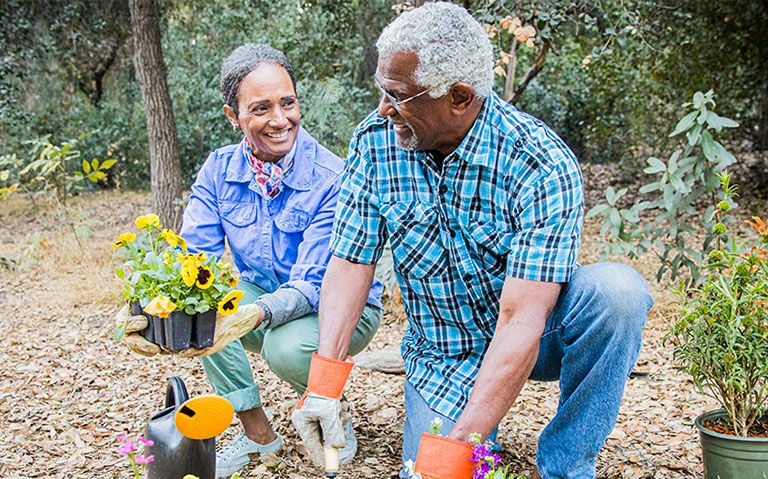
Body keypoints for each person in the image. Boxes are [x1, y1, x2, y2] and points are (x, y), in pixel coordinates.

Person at [290, 4, 653, 479]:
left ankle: (567, 465)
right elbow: (350, 260)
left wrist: (460, 445)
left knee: (618, 294)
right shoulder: (376, 142)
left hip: (534, 335)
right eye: (382, 91)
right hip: (442, 351)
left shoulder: (540, 164)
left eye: (397, 96)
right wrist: (324, 383)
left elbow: (522, 316)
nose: (383, 109)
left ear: (459, 97)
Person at [117, 44, 383, 479]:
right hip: (266, 298)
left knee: (285, 348)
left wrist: (252, 313)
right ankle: (259, 436)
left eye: (288, 103)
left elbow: (316, 283)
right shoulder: (220, 170)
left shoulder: (333, 178)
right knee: (201, 311)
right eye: (261, 108)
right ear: (233, 116)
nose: (280, 119)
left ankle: (327, 405)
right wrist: (151, 307)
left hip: (339, 306)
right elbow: (191, 258)